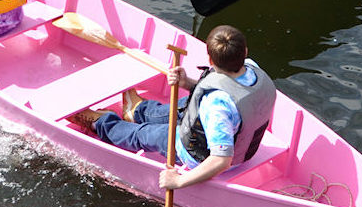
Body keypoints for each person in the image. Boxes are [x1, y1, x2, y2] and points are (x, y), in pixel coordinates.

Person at [70, 25, 277, 191]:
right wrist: (186, 82)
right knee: (184, 105)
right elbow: (227, 91)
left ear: (211, 60)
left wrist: (179, 181)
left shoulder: (217, 106)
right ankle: (138, 110)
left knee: (144, 135)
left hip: (196, 152)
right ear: (244, 52)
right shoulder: (252, 68)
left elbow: (221, 160)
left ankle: (103, 123)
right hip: (236, 137)